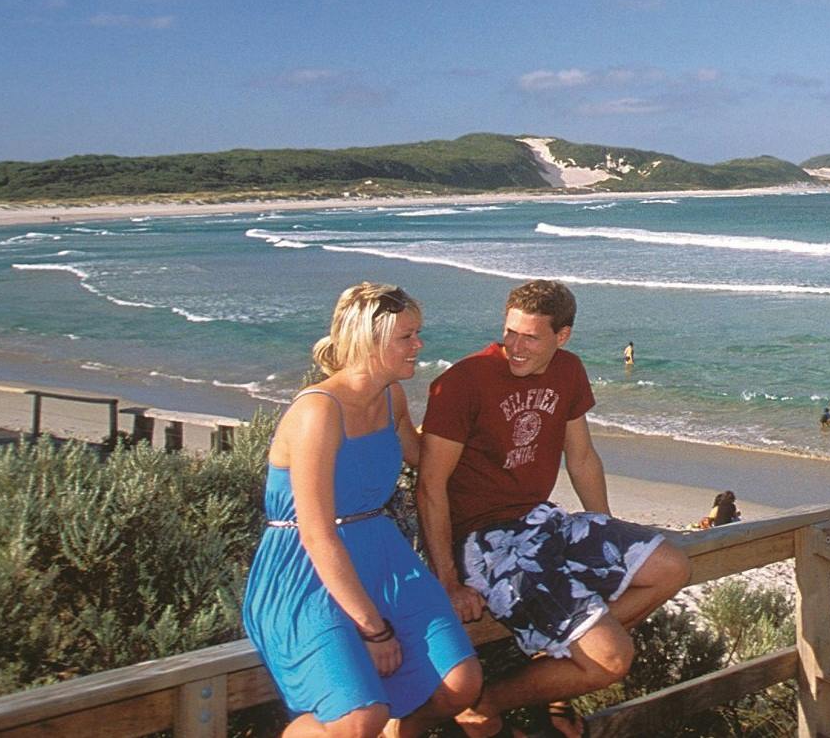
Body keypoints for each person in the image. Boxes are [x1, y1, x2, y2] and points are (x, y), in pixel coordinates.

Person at [418, 280, 693, 738]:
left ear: (561, 336)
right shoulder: (464, 381)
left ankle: (558, 655)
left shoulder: (568, 370)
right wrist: (448, 581)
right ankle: (485, 704)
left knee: (672, 567)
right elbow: (430, 486)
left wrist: (607, 530)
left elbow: (581, 457)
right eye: (510, 332)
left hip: (541, 520)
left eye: (530, 337)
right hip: (487, 541)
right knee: (612, 659)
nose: (515, 347)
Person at [242, 282, 481, 738]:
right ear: (368, 343)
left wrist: (482, 416)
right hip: (307, 569)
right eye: (407, 336)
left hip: (382, 554)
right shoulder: (318, 412)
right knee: (358, 719)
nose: (419, 345)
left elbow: (423, 457)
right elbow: (316, 534)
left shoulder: (391, 397)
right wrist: (374, 630)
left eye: (417, 333)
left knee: (460, 684)